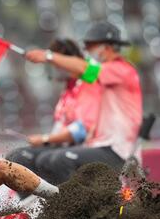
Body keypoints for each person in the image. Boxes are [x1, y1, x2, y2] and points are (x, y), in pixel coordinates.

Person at [16, 21, 142, 185]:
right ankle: (45, 207)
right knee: (38, 160)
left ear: (107, 47)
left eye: (90, 46)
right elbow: (82, 70)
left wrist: (48, 56)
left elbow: (86, 71)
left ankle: (70, 208)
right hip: (100, 146)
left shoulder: (121, 70)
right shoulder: (99, 78)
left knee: (57, 161)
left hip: (119, 151)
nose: (87, 51)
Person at [6, 38, 102, 176]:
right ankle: (39, 197)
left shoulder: (90, 82)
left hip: (86, 148)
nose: (53, 69)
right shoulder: (68, 88)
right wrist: (44, 141)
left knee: (49, 160)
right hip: (65, 147)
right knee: (17, 158)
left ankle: (59, 197)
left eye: (55, 64)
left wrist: (45, 139)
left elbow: (81, 131)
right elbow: (61, 126)